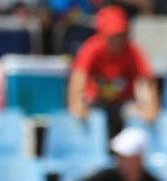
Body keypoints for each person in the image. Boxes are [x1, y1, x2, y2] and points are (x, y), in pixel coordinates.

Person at [67, 5, 158, 135]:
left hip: (123, 102)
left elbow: (144, 82)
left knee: (136, 115)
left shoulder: (132, 51)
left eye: (120, 35)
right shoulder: (92, 48)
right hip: (95, 100)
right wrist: (76, 104)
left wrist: (149, 106)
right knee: (82, 116)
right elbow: (78, 77)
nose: (117, 40)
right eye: (112, 35)